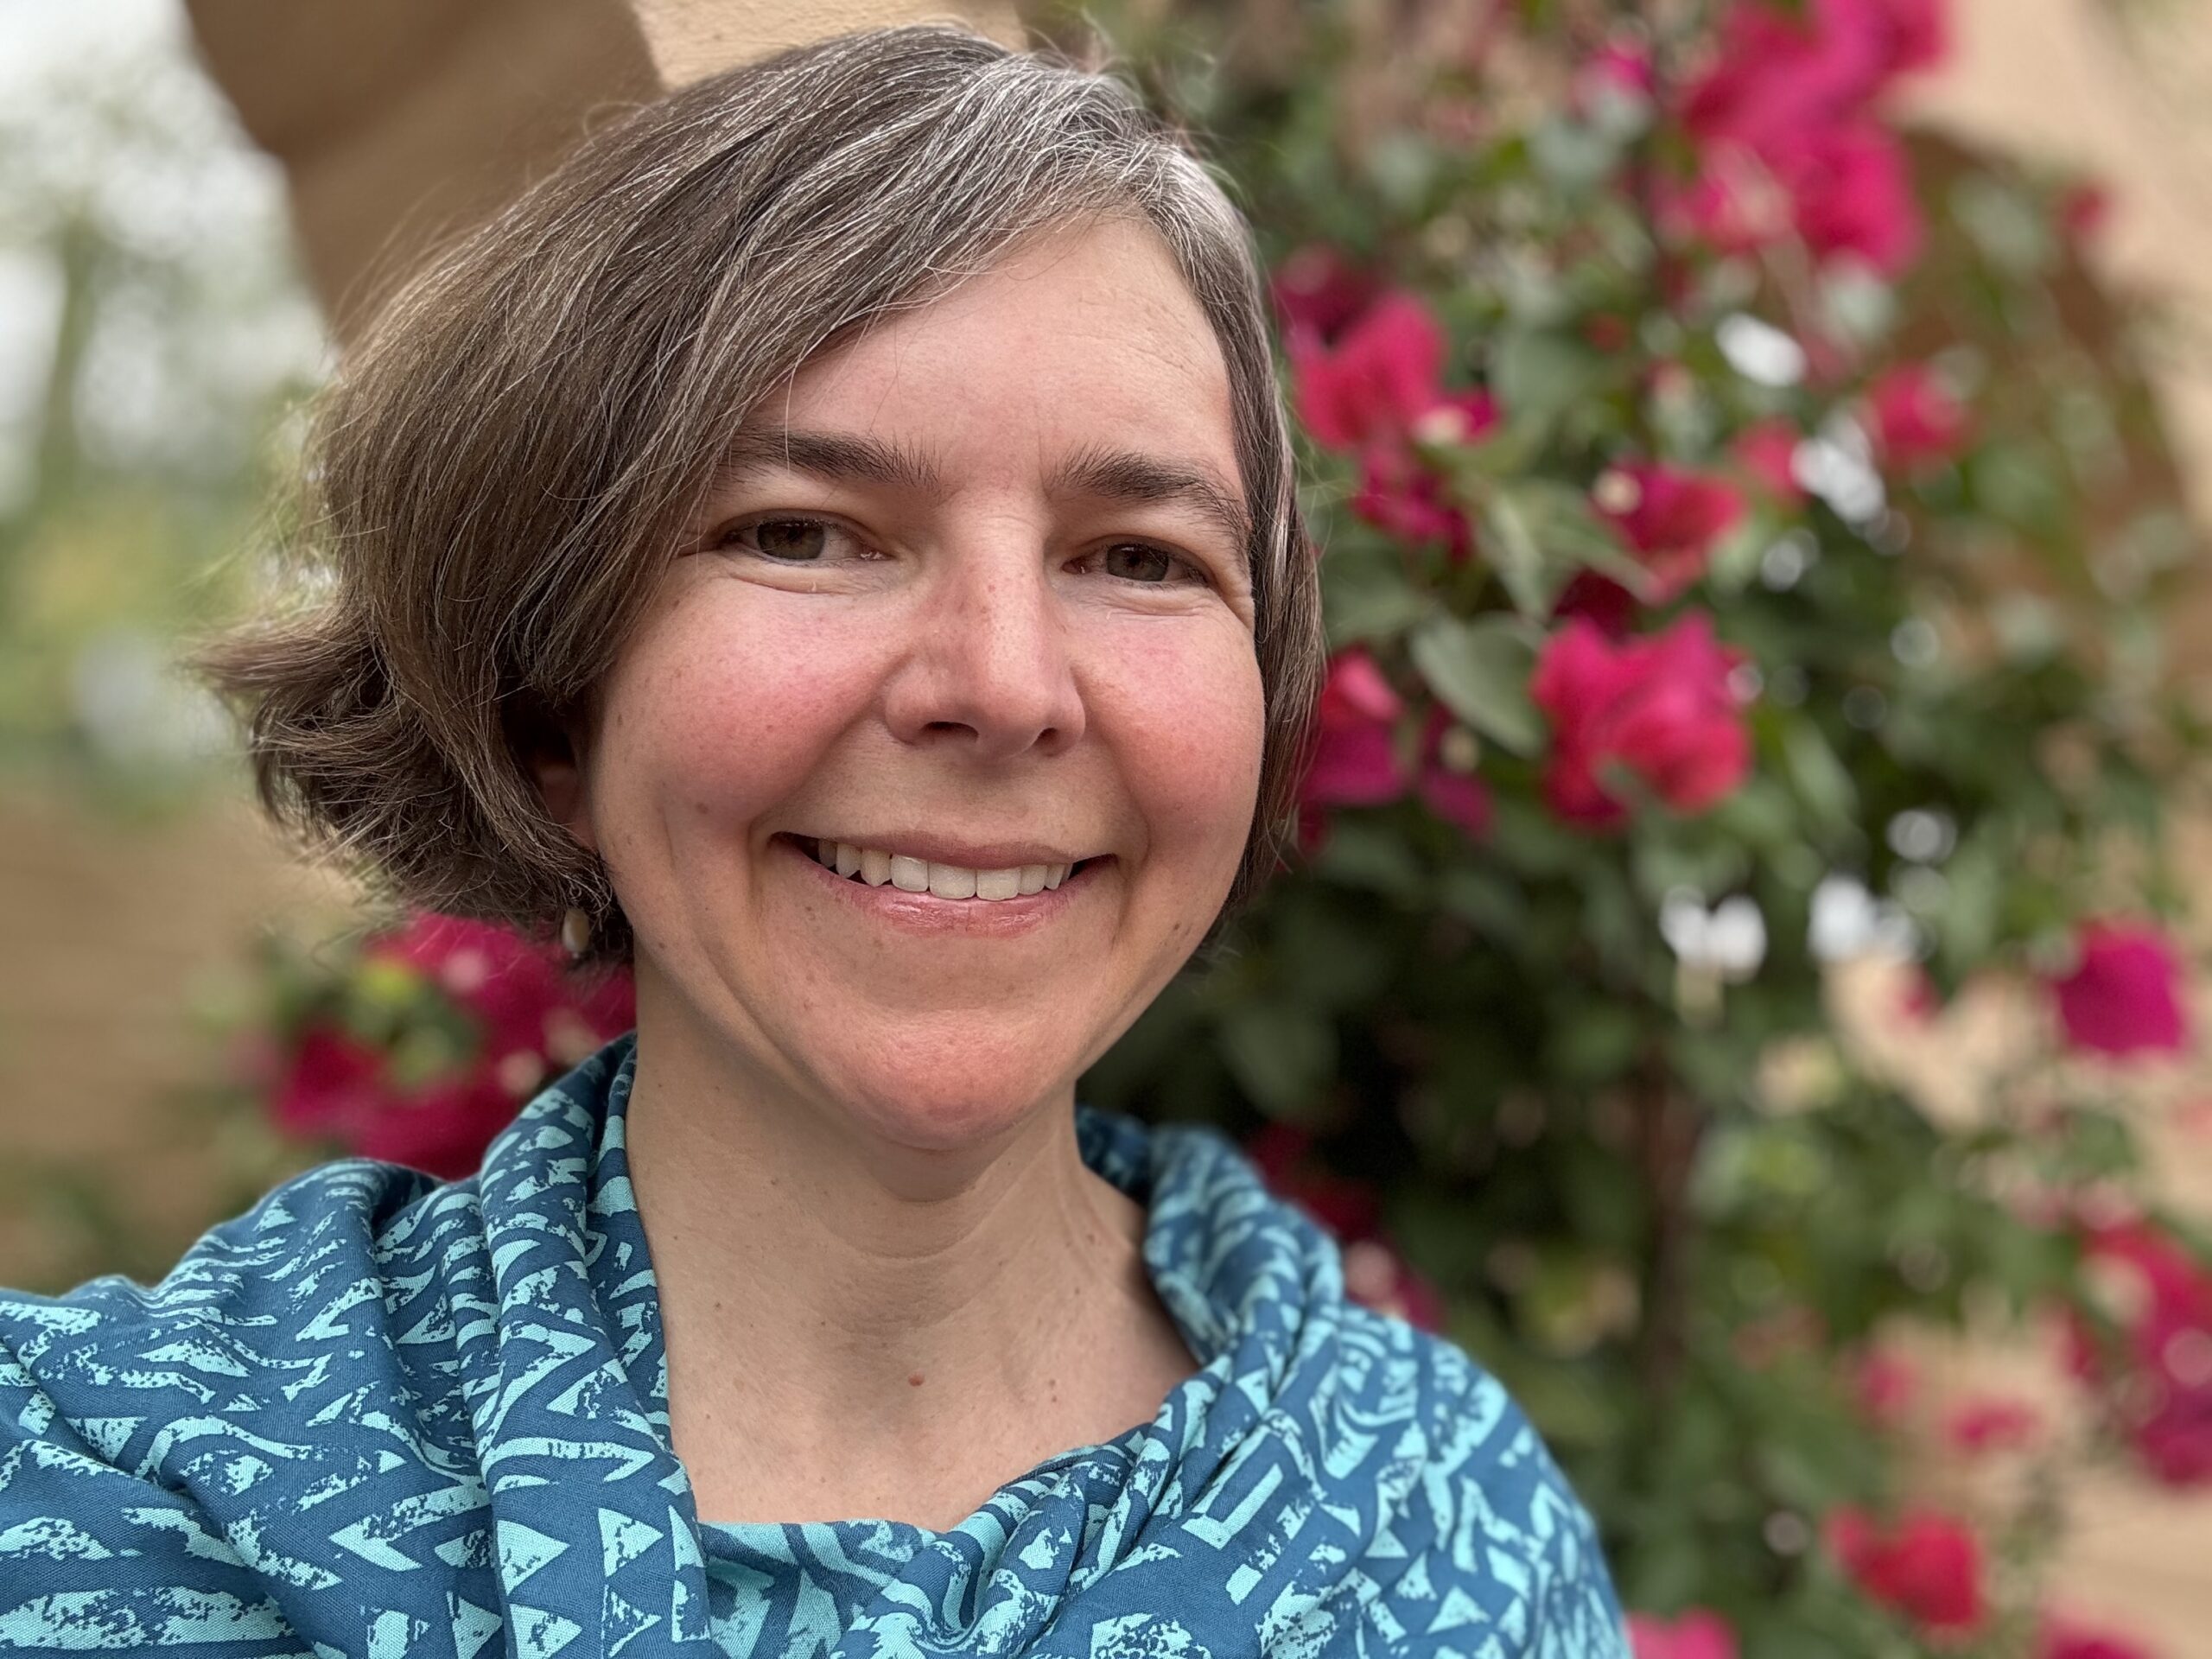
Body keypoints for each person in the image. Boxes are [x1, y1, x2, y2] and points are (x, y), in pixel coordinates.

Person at [0, 25, 1630, 1656]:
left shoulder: (1456, 1536)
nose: (1003, 684)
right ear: (553, 702)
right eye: (807, 533)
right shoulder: (91, 1497)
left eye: (1137, 557)